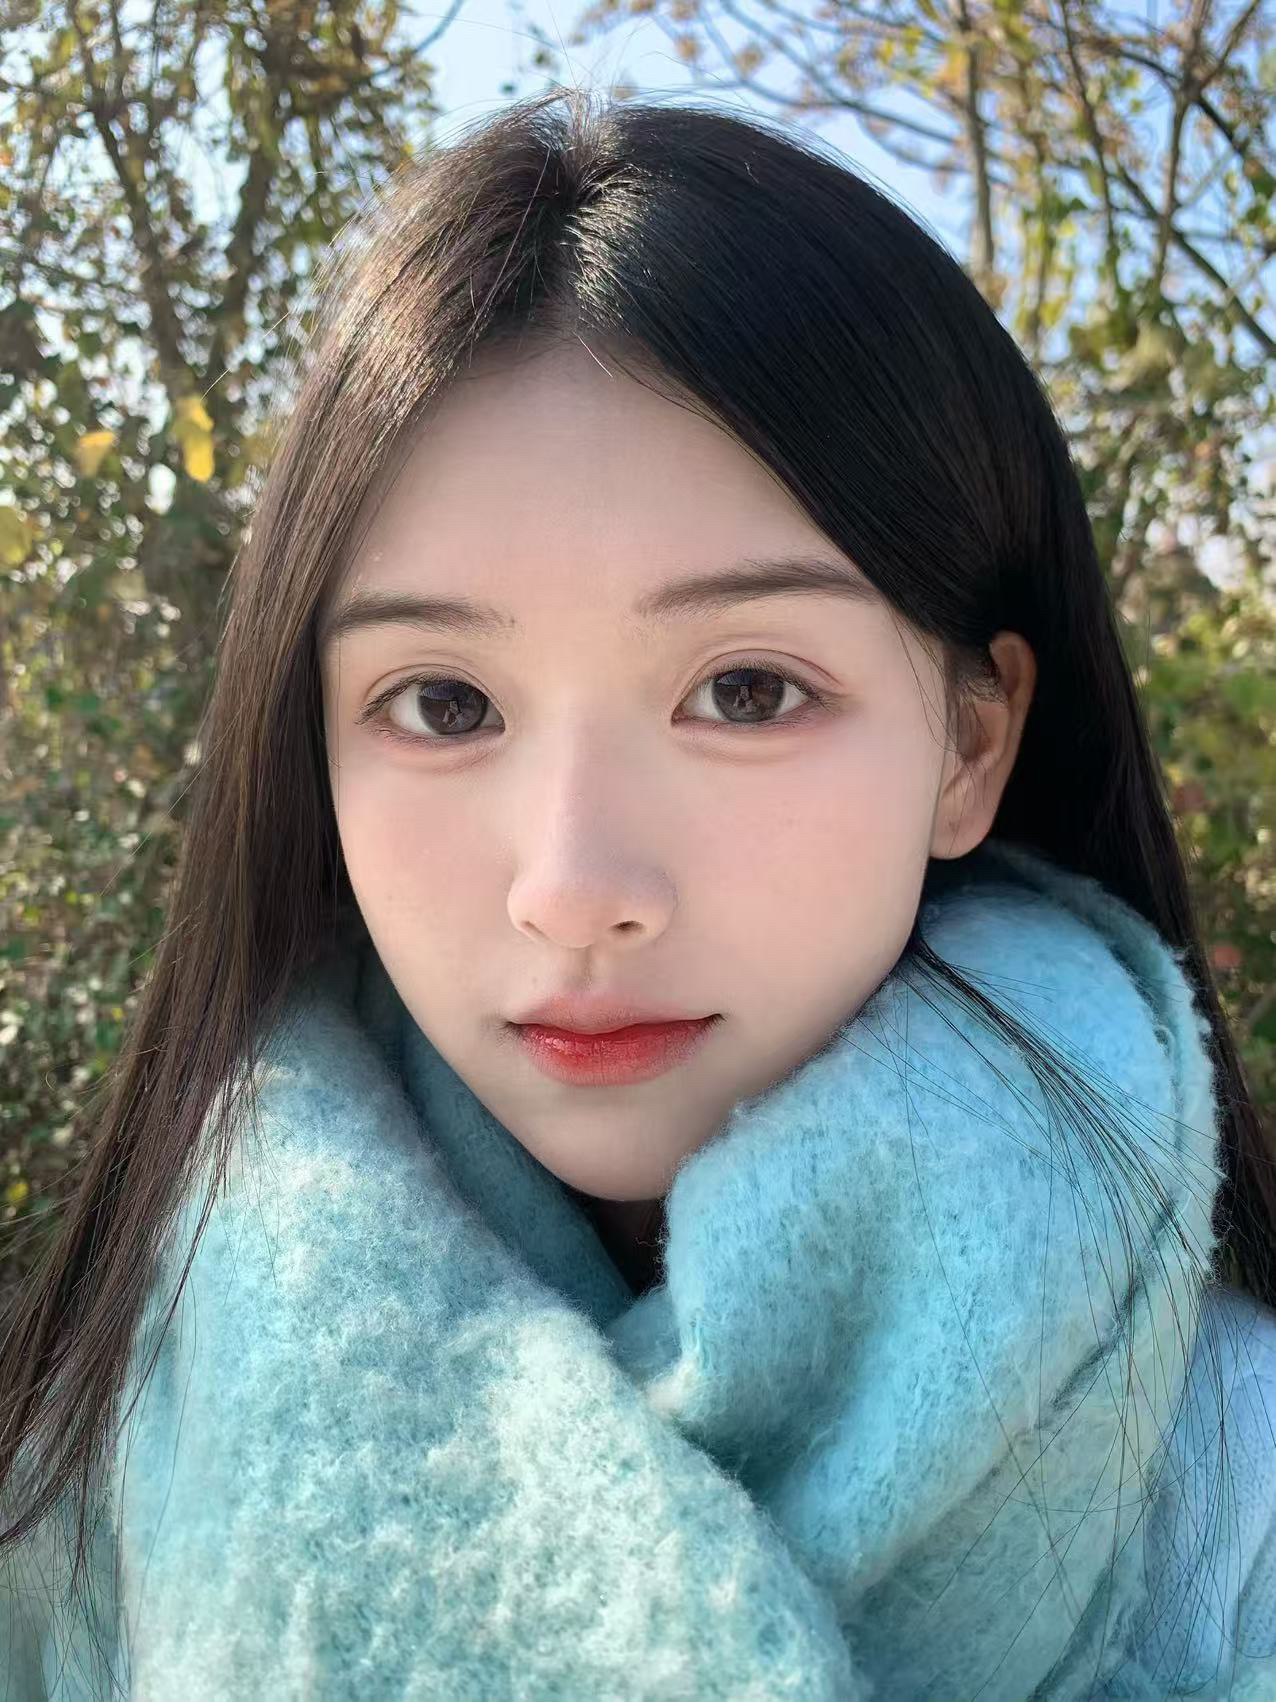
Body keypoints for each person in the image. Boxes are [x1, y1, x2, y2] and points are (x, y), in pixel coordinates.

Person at [2, 85, 1274, 1699]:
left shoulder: (1241, 1492)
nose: (574, 887)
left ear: (970, 741)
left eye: (746, 689)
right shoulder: (91, 1445)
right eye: (444, 703)